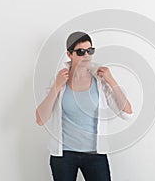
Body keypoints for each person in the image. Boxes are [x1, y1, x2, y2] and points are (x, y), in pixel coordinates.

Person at [35, 31, 134, 181]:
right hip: (64, 155)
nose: (86, 55)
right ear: (69, 54)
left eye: (90, 50)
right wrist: (56, 86)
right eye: (81, 52)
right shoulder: (59, 81)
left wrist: (111, 80)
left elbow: (127, 113)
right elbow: (40, 119)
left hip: (95, 155)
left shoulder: (99, 81)